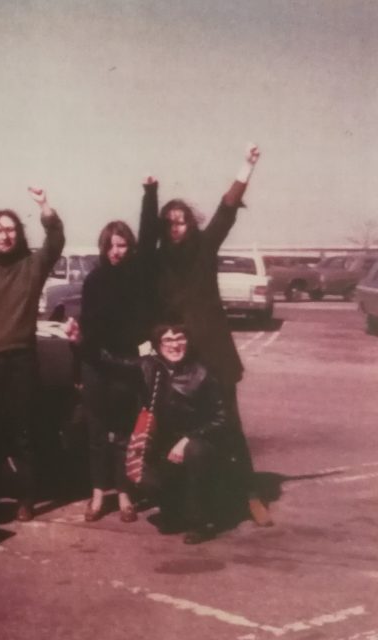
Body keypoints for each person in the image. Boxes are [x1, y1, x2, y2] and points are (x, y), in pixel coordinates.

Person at [142, 144, 273, 527]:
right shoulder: (159, 261)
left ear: (191, 225)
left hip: (213, 356)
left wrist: (246, 167)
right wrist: (150, 194)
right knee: (180, 434)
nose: (176, 227)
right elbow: (146, 231)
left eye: (182, 220)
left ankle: (249, 494)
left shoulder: (204, 248)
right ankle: (193, 500)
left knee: (229, 425)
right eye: (170, 222)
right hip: (180, 362)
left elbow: (227, 210)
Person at [0, 188, 65, 521]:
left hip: (22, 360)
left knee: (24, 432)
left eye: (10, 229)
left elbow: (57, 240)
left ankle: (26, 498)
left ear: (18, 232)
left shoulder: (32, 265)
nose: (5, 235)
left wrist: (44, 205)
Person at [77, 205, 155, 522]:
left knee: (124, 434)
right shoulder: (93, 280)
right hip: (97, 364)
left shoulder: (139, 279)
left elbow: (150, 236)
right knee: (97, 434)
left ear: (130, 246)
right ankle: (97, 495)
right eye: (110, 245)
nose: (116, 252)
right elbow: (86, 328)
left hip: (127, 365)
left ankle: (124, 493)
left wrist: (149, 195)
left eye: (122, 245)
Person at [136, 324, 232, 544]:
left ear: (188, 341)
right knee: (145, 476)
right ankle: (173, 511)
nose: (174, 345)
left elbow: (223, 418)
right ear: (158, 346)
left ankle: (202, 521)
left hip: (200, 440)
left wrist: (188, 439)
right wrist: (79, 342)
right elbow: (111, 363)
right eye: (167, 340)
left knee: (195, 453)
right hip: (163, 443)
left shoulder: (203, 373)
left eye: (179, 338)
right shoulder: (150, 367)